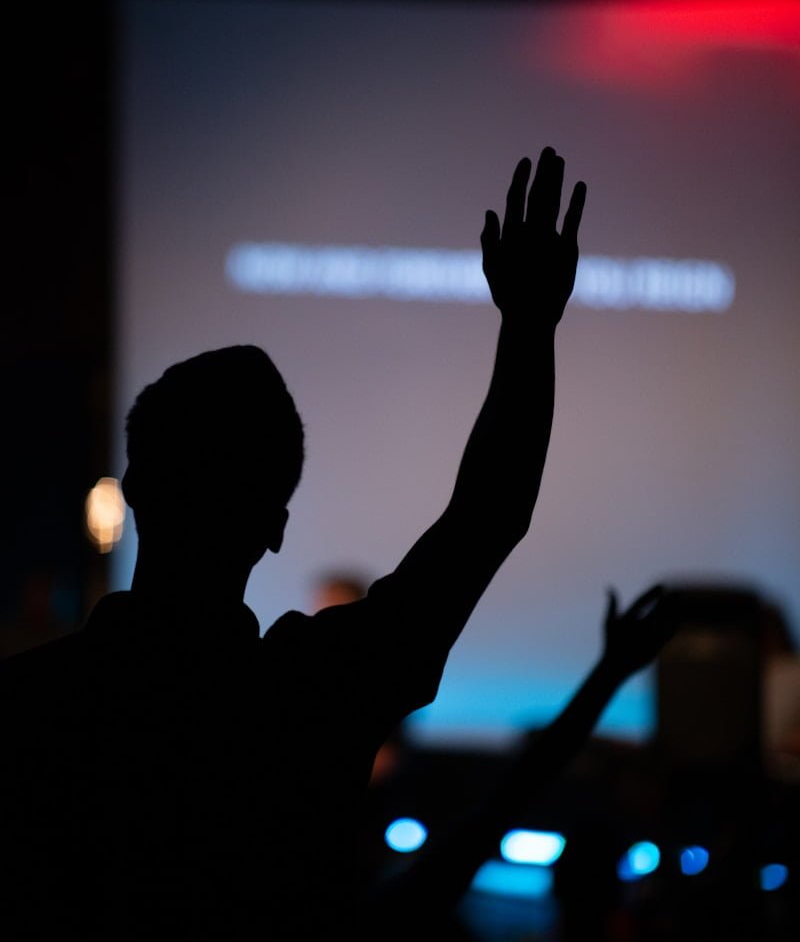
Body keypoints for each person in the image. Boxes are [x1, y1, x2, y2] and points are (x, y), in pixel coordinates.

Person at [0, 147, 585, 940]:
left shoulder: (31, 707)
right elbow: (489, 514)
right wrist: (528, 327)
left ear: (134, 488)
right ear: (276, 524)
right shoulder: (315, 693)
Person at [366, 584, 678, 941]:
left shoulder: (386, 913)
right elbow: (516, 792)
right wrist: (609, 673)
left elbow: (512, 796)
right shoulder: (399, 911)